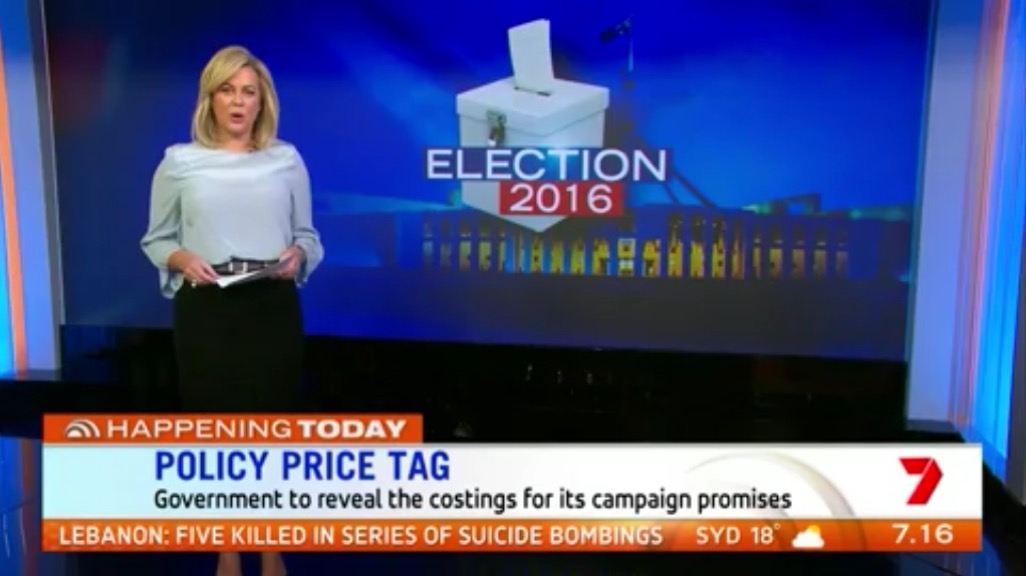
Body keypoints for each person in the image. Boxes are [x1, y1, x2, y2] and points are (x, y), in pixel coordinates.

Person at [141, 45, 323, 576]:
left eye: (248, 92)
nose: (239, 102)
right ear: (210, 99)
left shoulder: (286, 160)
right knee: (216, 435)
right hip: (208, 312)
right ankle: (227, 550)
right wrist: (183, 259)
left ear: (263, 101)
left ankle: (269, 549)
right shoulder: (179, 162)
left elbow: (309, 236)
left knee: (271, 434)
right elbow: (156, 240)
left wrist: (298, 255)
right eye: (228, 91)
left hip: (270, 309)